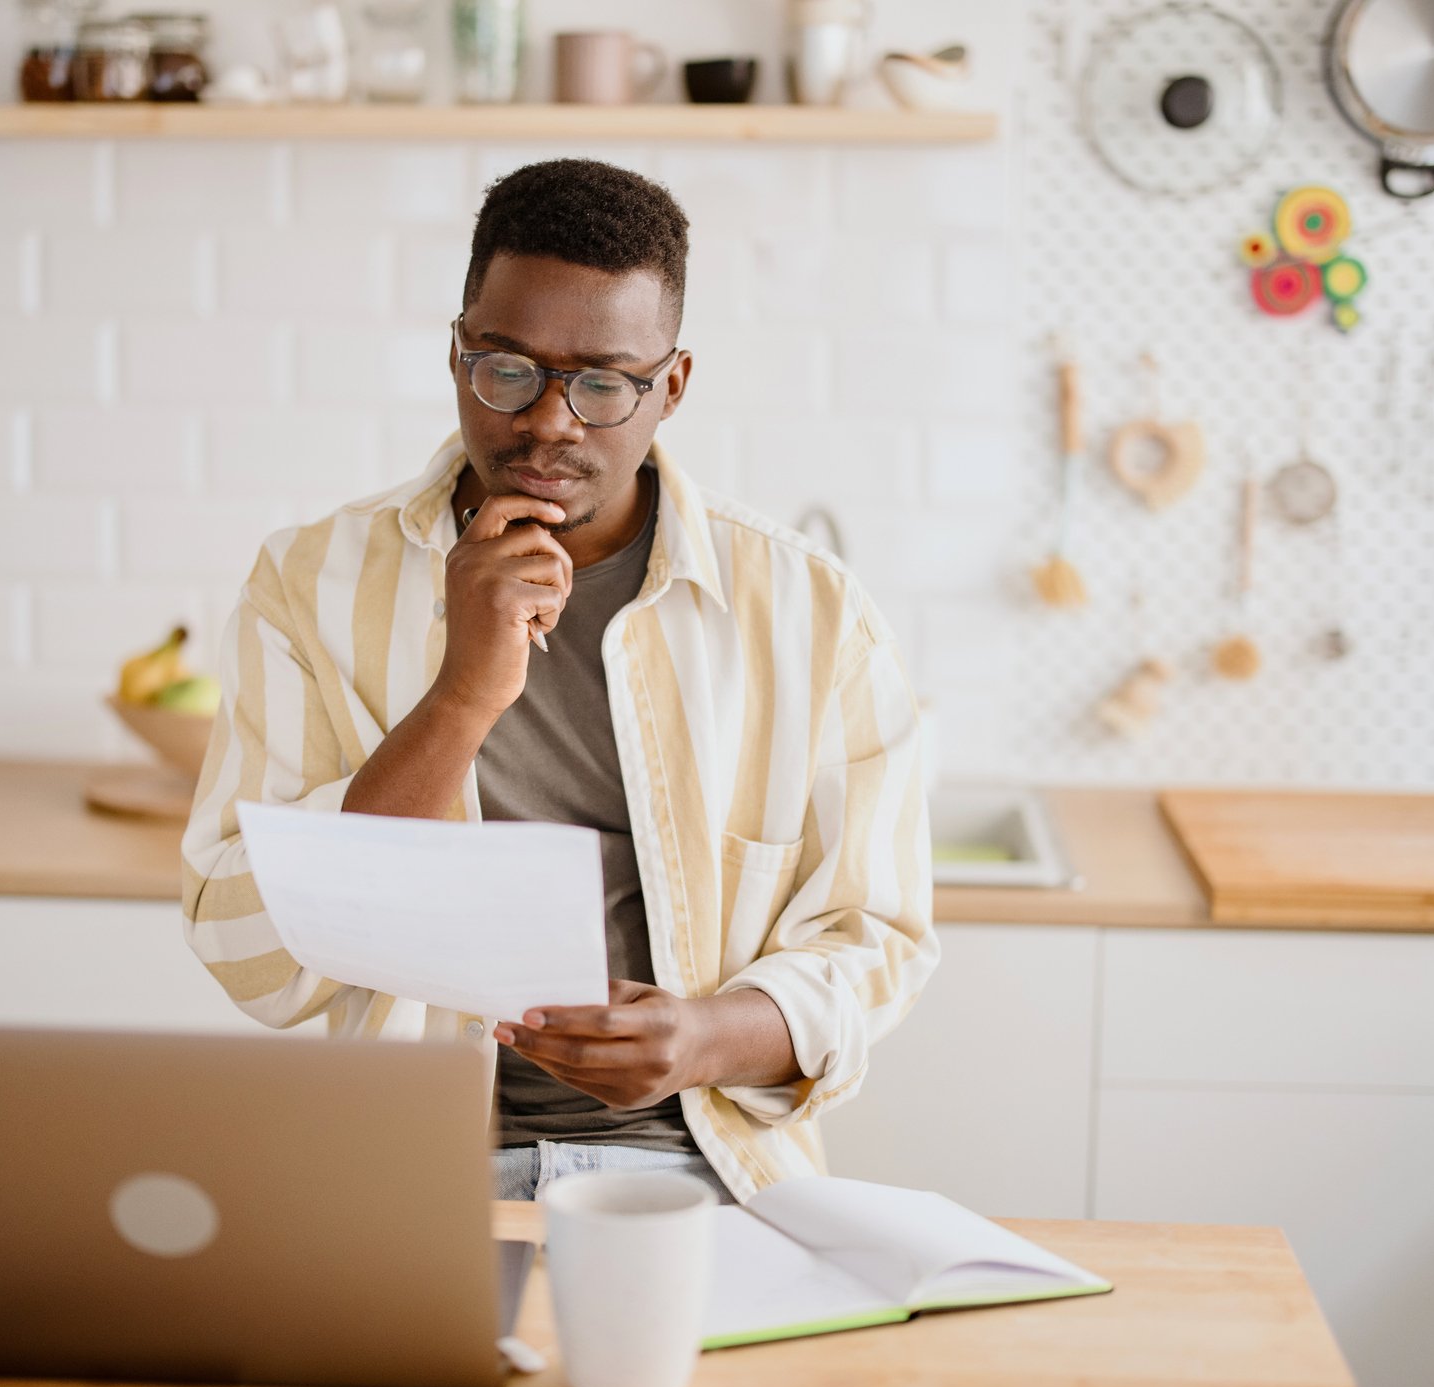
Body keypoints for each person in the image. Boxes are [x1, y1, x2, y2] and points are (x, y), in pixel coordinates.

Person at [182, 158, 936, 1204]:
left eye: (602, 382)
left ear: (670, 387)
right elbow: (244, 946)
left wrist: (705, 1038)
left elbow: (875, 941)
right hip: (407, 1176)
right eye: (506, 368)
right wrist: (461, 697)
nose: (548, 421)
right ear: (455, 354)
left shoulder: (808, 613)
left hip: (698, 1171)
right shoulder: (308, 585)